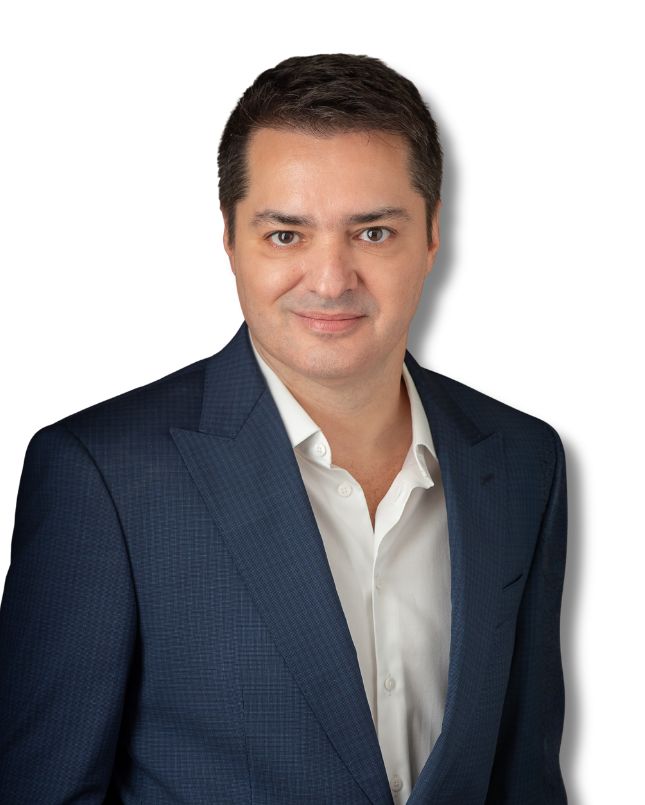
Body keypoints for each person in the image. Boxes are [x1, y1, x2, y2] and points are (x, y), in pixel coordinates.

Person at [0, 53, 568, 804]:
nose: (330, 280)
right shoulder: (103, 475)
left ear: (433, 234)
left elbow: (525, 776)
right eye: (285, 236)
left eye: (372, 233)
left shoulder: (522, 459)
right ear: (230, 240)